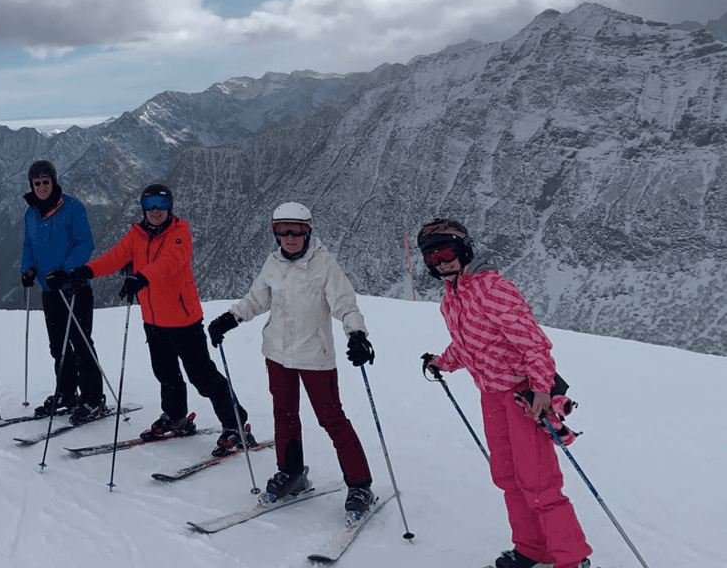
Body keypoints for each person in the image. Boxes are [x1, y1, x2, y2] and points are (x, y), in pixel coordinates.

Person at [417, 219, 593, 568]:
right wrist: (443, 361)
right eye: (432, 258)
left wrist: (542, 389)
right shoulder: (451, 300)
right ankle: (532, 548)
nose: (441, 262)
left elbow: (534, 344)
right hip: (491, 396)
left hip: (521, 396)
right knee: (508, 477)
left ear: (464, 250)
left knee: (539, 482)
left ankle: (572, 560)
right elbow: (470, 343)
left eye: (447, 253)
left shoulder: (493, 288)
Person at [206, 202, 377, 513]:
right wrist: (228, 320)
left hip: (315, 357)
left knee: (333, 420)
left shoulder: (324, 265)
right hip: (277, 355)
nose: (290, 237)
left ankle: (360, 485)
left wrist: (357, 335)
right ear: (275, 233)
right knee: (284, 417)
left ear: (308, 231)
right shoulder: (273, 264)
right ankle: (291, 473)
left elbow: (346, 305)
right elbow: (256, 300)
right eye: (282, 230)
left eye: (297, 230)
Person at [70, 184, 255, 457]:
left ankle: (236, 426)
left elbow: (170, 263)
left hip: (185, 321)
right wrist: (85, 271)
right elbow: (114, 258)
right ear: (143, 207)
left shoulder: (180, 234)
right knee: (166, 374)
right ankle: (175, 417)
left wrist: (141, 277)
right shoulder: (137, 235)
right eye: (150, 204)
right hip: (154, 322)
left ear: (170, 207)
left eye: (161, 204)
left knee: (203, 377)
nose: (156, 210)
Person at [20, 160, 104, 424]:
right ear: (31, 185)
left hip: (74, 288)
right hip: (49, 289)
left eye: (46, 182)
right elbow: (28, 246)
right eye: (37, 183)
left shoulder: (72, 207)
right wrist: (28, 269)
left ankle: (93, 398)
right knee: (58, 346)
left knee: (81, 344)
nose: (42, 187)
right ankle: (67, 393)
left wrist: (66, 271)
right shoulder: (31, 213)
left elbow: (85, 244)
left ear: (54, 181)